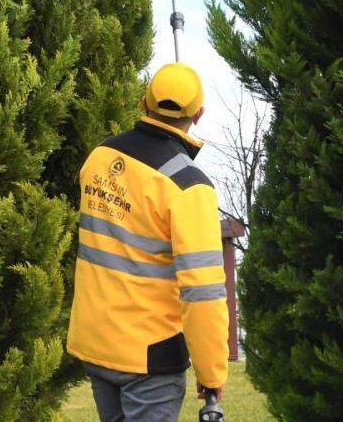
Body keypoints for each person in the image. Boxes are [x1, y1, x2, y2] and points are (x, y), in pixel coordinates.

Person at [67, 62, 228, 421]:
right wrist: (212, 371)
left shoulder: (99, 159)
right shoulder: (189, 186)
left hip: (96, 342)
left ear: (144, 103)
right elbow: (202, 290)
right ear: (198, 115)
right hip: (150, 355)